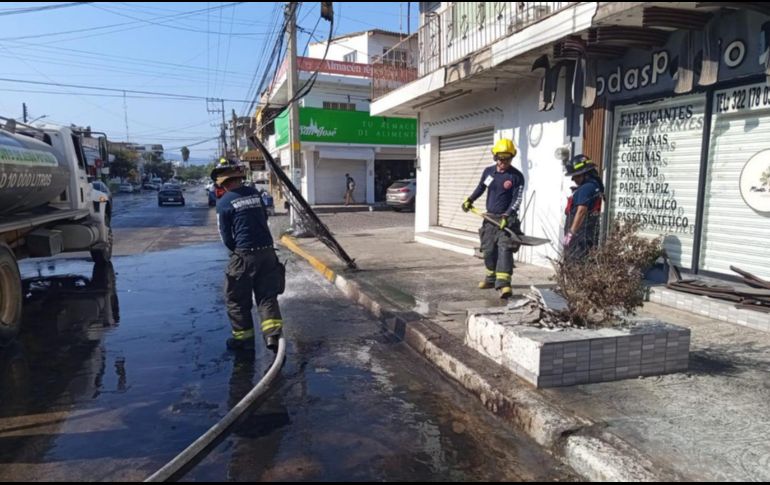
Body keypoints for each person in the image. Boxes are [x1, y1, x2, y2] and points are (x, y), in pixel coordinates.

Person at [212, 162, 285, 352]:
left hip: (245, 255)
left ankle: (244, 341)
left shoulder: (224, 202)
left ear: (225, 183)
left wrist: (237, 253)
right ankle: (272, 337)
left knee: (236, 299)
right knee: (267, 296)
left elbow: (225, 236)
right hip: (268, 253)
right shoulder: (255, 195)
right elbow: (264, 219)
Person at [461, 138, 525, 299]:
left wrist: (507, 214)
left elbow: (517, 199)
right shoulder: (489, 172)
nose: (504, 162)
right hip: (490, 219)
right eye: (501, 158)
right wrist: (470, 200)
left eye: (507, 158)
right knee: (488, 250)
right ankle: (491, 278)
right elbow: (481, 187)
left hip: (506, 220)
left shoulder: (516, 176)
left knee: (504, 249)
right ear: (495, 157)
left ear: (512, 158)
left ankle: (504, 285)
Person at [562, 154, 605, 261]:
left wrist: (571, 233)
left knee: (574, 266)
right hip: (586, 236)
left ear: (584, 174)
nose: (572, 179)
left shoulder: (586, 188)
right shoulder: (595, 185)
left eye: (575, 175)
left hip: (580, 239)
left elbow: (581, 211)